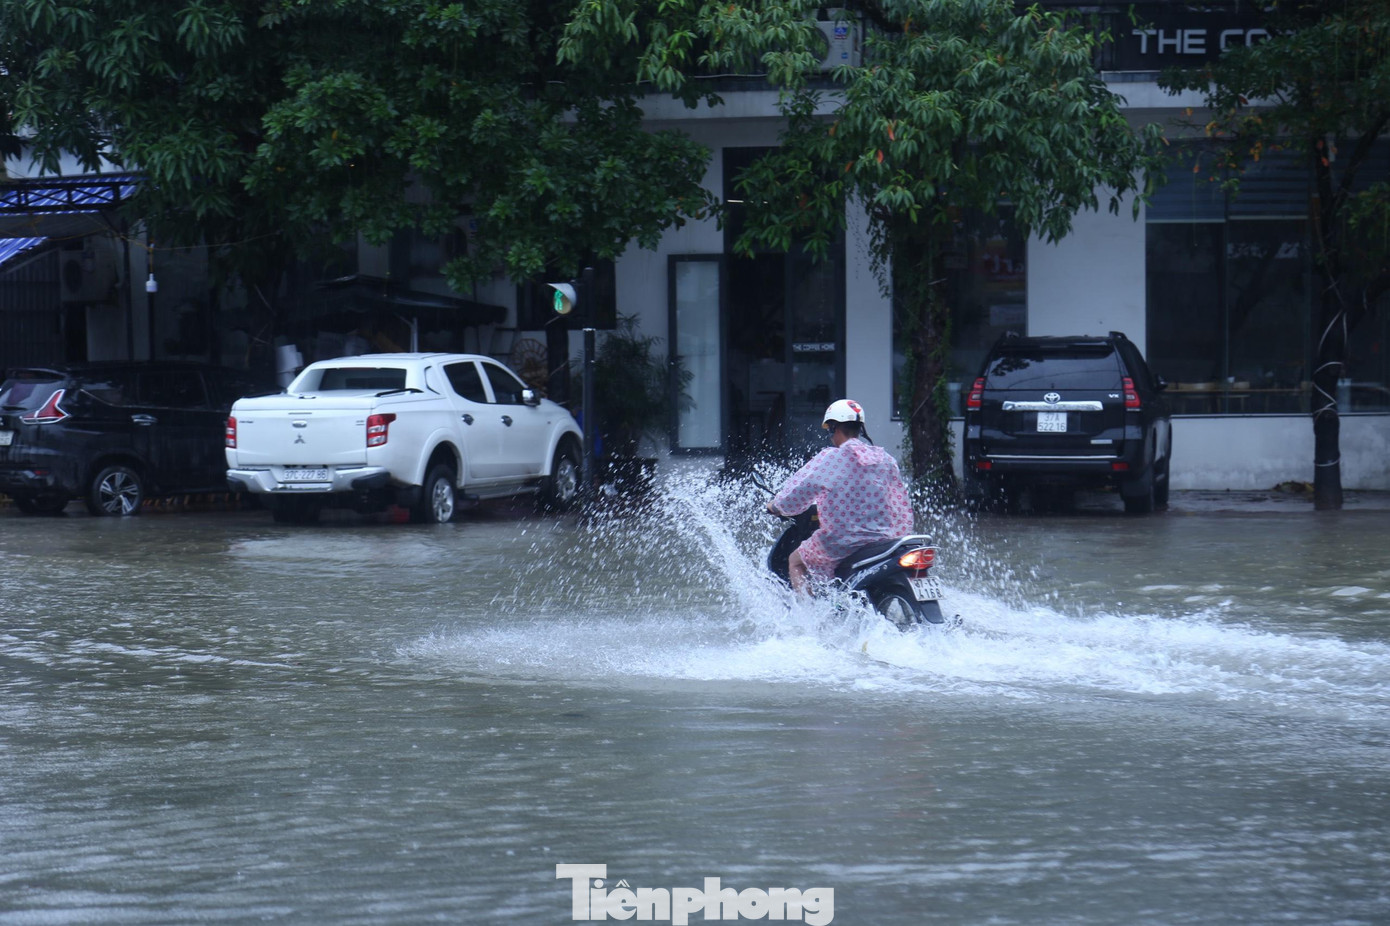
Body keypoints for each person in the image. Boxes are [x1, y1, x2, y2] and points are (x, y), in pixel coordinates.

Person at [767, 399, 915, 595]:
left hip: (842, 542)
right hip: (883, 540)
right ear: (860, 429)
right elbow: (900, 504)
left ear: (834, 428)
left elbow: (799, 491)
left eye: (830, 429)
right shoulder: (886, 459)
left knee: (795, 561)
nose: (829, 437)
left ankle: (808, 619)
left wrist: (776, 506)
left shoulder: (831, 458)